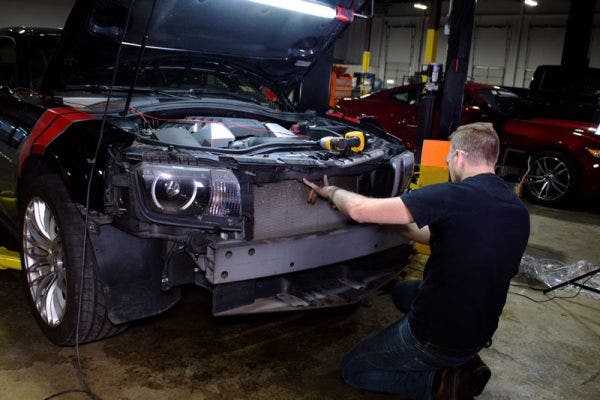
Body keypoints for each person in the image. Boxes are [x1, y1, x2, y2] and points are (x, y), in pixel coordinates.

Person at [303, 123, 530, 400]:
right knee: (402, 292)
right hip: (480, 330)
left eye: (448, 158)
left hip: (438, 336)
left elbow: (359, 210)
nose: (448, 164)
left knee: (355, 369)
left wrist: (333, 192)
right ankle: (461, 359)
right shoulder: (517, 209)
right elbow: (427, 235)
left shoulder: (452, 195)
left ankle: (443, 382)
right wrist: (390, 218)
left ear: (458, 157)